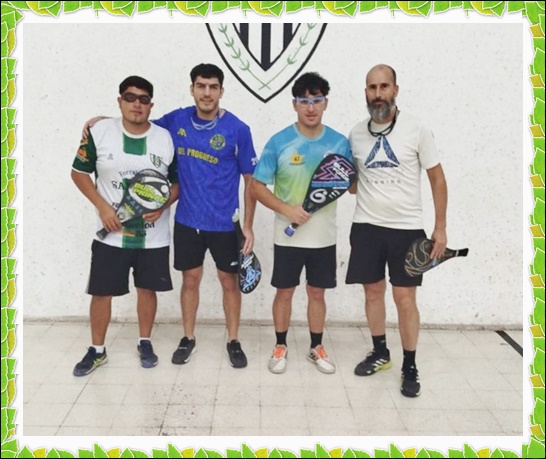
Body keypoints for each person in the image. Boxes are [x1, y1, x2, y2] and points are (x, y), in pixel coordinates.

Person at [83, 64, 258, 369]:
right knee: (190, 281)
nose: (206, 93)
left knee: (229, 282)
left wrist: (248, 225)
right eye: (201, 86)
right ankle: (188, 338)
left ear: (221, 91)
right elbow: (138, 121)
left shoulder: (238, 129)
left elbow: (250, 180)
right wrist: (101, 121)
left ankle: (233, 340)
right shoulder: (175, 121)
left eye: (213, 87)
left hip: (224, 223)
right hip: (187, 221)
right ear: (192, 89)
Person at [345, 64, 448, 397]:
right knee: (372, 293)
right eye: (372, 87)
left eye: (384, 86)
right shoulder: (356, 134)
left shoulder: (417, 129)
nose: (378, 94)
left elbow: (437, 179)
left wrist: (440, 227)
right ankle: (380, 353)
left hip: (407, 230)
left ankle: (410, 365)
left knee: (405, 299)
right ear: (366, 92)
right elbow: (354, 185)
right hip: (366, 227)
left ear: (395, 90)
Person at [72, 75, 178, 376]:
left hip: (153, 238)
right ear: (119, 101)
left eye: (143, 99)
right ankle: (97, 350)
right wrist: (102, 206)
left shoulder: (164, 138)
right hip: (110, 238)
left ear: (151, 105)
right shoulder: (99, 131)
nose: (136, 104)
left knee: (147, 290)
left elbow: (176, 184)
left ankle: (145, 342)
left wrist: (163, 205)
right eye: (130, 97)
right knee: (101, 293)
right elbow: (78, 173)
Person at [251, 72, 352, 375]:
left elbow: (350, 184)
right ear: (294, 104)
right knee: (285, 292)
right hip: (288, 237)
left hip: (324, 238)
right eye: (304, 101)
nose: (311, 107)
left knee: (317, 293)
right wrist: (287, 210)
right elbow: (256, 187)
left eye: (317, 100)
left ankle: (315, 347)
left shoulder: (340, 143)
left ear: (326, 104)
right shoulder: (279, 142)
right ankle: (280, 345)